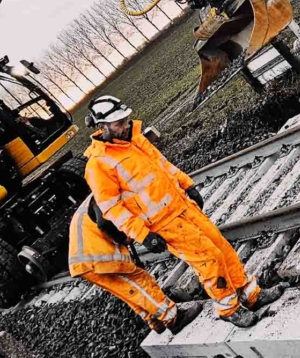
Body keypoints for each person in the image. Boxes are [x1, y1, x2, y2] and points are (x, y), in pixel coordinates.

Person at [82, 95, 284, 328]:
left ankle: (251, 295)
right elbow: (112, 209)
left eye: (126, 120)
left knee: (221, 248)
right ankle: (228, 308)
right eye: (119, 123)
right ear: (102, 126)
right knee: (209, 259)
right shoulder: (98, 164)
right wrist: (143, 235)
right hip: (163, 223)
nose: (126, 125)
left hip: (182, 206)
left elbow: (163, 165)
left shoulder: (135, 139)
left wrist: (187, 185)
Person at [68, 195, 203, 334]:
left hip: (86, 263)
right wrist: (123, 237)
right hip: (98, 259)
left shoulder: (90, 203)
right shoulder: (101, 196)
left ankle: (155, 321)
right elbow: (104, 223)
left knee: (130, 290)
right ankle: (173, 318)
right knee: (140, 282)